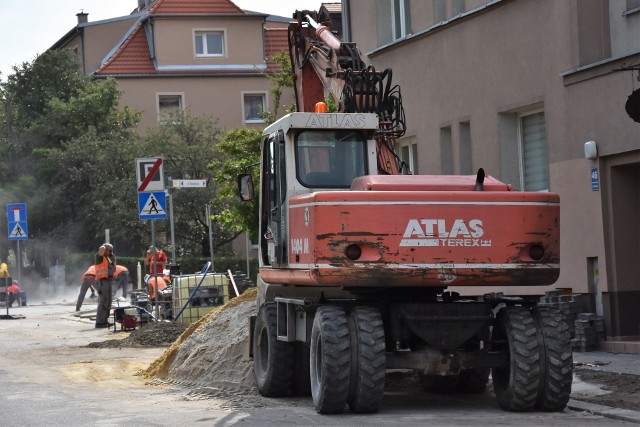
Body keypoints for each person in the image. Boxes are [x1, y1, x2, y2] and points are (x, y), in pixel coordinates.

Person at [94, 243, 116, 328]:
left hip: (108, 281)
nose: (111, 252)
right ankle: (99, 322)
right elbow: (101, 249)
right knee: (102, 302)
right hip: (102, 281)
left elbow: (113, 269)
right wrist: (104, 247)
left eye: (112, 251)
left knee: (108, 302)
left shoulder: (108, 259)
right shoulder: (99, 256)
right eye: (110, 250)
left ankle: (105, 320)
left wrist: (113, 260)